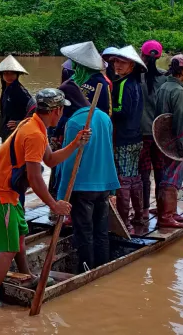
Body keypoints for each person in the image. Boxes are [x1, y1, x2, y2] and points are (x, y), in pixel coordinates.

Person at [0, 88, 91, 307]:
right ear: (57, 111)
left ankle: (26, 276)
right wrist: (54, 204)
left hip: (10, 192)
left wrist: (76, 143)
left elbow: (49, 160)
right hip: (0, 194)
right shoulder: (34, 134)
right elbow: (34, 178)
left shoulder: (35, 125)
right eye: (62, 111)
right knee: (8, 249)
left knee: (20, 235)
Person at [56, 82, 119, 272]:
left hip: (82, 187)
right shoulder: (104, 117)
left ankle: (86, 271)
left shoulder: (75, 123)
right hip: (104, 184)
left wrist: (61, 195)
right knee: (101, 232)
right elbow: (109, 151)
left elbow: (68, 161)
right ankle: (102, 267)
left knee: (84, 233)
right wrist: (113, 188)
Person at [154, 54, 183, 229]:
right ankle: (166, 216)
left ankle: (170, 212)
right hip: (175, 144)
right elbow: (180, 125)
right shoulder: (178, 92)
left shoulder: (163, 86)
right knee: (172, 179)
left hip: (163, 140)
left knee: (165, 177)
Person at [107, 46, 146, 230]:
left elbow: (122, 111)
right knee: (134, 177)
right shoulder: (137, 84)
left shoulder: (123, 84)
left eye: (122, 62)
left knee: (123, 178)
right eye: (115, 61)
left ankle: (124, 222)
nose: (117, 65)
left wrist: (106, 111)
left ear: (131, 65)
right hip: (135, 137)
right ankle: (139, 216)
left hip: (123, 138)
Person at [138, 40, 173, 220]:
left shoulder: (135, 77)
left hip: (141, 133)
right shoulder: (166, 78)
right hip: (160, 135)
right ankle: (162, 209)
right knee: (160, 172)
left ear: (141, 55)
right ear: (159, 57)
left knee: (143, 174)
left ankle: (143, 211)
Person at [60, 41, 112, 116]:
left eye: (76, 64)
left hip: (87, 121)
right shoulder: (75, 78)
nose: (74, 66)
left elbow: (106, 111)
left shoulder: (101, 83)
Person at [0, 56, 32, 142]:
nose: (9, 76)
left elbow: (34, 108)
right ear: (1, 75)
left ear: (17, 75)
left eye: (12, 73)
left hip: (15, 132)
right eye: (6, 73)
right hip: (6, 132)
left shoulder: (20, 91)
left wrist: (21, 122)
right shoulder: (6, 89)